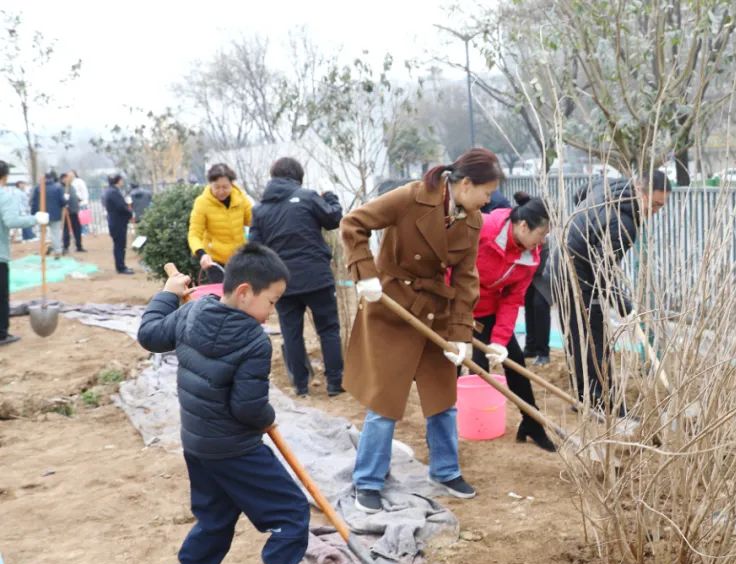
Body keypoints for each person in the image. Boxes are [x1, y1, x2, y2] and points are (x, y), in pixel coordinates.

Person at [137, 243, 318, 564]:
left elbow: (150, 334)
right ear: (244, 292)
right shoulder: (254, 341)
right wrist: (268, 417)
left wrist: (168, 293)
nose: (272, 313)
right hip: (236, 449)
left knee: (215, 516)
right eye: (272, 302)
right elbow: (249, 409)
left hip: (198, 443)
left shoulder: (192, 311)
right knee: (291, 513)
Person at [341, 147, 502, 514]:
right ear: (464, 184)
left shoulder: (473, 220)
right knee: (385, 400)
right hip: (390, 306)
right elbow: (353, 224)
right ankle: (367, 481)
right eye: (486, 191)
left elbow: (466, 279)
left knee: (442, 396)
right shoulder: (411, 197)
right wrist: (365, 275)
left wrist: (461, 335)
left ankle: (445, 471)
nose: (488, 200)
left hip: (433, 313)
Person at [554, 170, 671, 414]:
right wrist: (624, 307)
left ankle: (589, 397)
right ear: (640, 190)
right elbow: (603, 269)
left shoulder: (611, 187)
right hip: (575, 274)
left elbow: (580, 194)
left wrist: (586, 224)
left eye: (662, 206)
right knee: (591, 337)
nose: (658, 211)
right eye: (656, 204)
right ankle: (599, 403)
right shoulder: (624, 223)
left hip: (565, 261)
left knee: (584, 336)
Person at [248, 157, 345, 397]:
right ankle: (334, 383)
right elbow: (334, 219)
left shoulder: (260, 210)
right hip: (317, 277)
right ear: (297, 177)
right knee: (329, 329)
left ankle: (300, 387)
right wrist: (330, 194)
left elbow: (255, 248)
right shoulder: (308, 197)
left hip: (282, 283)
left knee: (291, 332)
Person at [469, 191, 556, 452]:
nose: (542, 241)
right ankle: (444, 434)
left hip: (490, 309)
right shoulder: (482, 230)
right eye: (540, 234)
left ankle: (532, 423)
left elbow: (512, 298)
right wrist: (455, 318)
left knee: (514, 363)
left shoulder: (530, 255)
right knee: (460, 367)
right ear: (522, 226)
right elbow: (450, 270)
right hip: (456, 305)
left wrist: (499, 340)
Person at [0, 161, 49, 346]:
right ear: (5, 176)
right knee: (1, 296)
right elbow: (11, 221)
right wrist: (35, 219)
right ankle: (1, 334)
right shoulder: (4, 196)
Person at [188, 163, 253, 277]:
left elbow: (253, 221)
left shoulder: (240, 198)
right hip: (215, 262)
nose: (221, 191)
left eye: (225, 187)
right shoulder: (202, 203)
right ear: (210, 184)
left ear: (232, 184)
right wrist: (202, 254)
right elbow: (194, 234)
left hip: (240, 259)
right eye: (217, 187)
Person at [522, 245, 552, 364]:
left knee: (540, 306)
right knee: (529, 306)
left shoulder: (546, 237)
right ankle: (531, 347)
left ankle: (543, 352)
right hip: (529, 272)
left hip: (545, 272)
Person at [102, 174, 134, 274]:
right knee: (120, 245)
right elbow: (121, 207)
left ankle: (121, 265)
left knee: (119, 245)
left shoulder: (109, 191)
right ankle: (121, 267)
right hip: (117, 222)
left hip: (115, 221)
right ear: (118, 181)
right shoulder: (113, 192)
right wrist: (130, 214)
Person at [31, 171, 65, 259]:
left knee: (42, 233)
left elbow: (34, 202)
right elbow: (62, 201)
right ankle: (57, 251)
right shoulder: (58, 187)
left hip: (42, 214)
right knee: (55, 233)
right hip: (55, 214)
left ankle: (43, 249)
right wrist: (64, 204)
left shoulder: (38, 188)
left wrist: (33, 214)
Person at [60, 172, 85, 253]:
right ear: (63, 179)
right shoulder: (60, 188)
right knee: (66, 230)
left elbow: (74, 196)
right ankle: (65, 246)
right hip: (67, 212)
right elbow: (63, 199)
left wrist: (78, 199)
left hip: (74, 211)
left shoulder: (72, 187)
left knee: (77, 229)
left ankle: (79, 246)